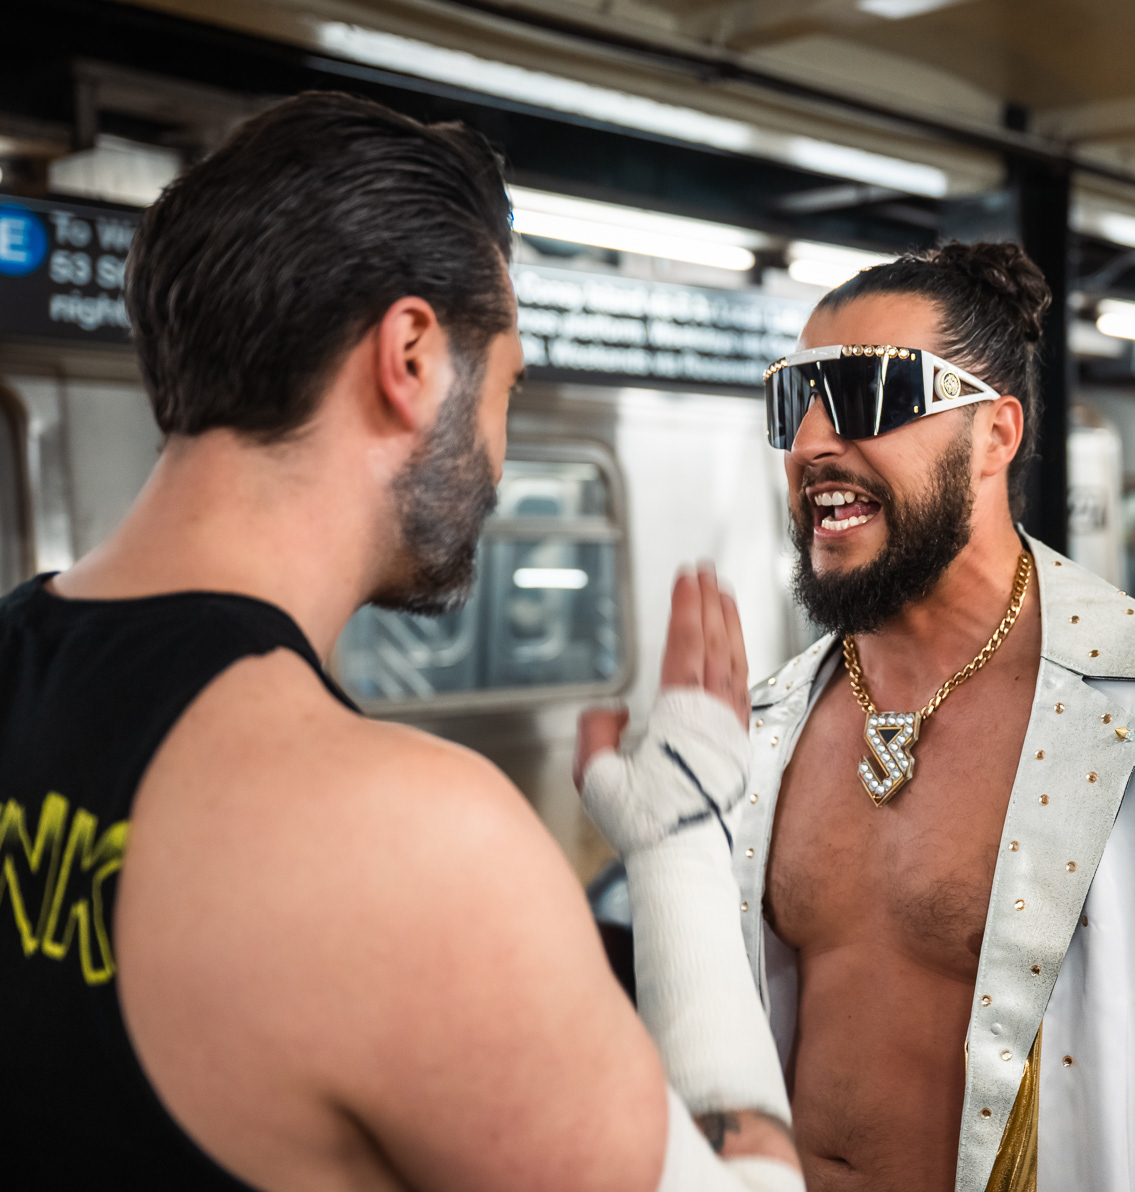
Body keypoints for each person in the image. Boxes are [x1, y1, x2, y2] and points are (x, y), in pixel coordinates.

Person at [0, 91, 799, 1191]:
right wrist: (679, 845)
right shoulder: (409, 841)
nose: (501, 456)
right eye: (506, 386)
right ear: (412, 357)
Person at [589, 242, 1135, 1192]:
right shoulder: (754, 735)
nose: (811, 443)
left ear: (996, 435)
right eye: (793, 401)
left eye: (870, 395)